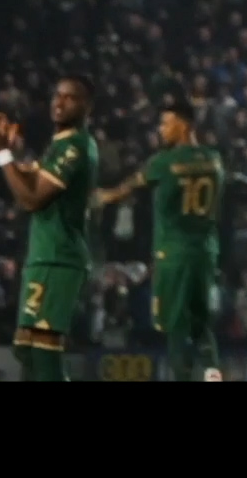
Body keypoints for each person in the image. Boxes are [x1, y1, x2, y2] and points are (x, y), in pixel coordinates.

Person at [0, 75, 101, 382]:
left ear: (88, 107)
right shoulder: (59, 145)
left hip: (60, 256)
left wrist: (1, 152)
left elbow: (32, 198)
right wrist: (11, 151)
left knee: (44, 350)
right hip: (44, 255)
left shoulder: (75, 146)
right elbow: (31, 178)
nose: (59, 102)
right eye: (57, 95)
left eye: (70, 97)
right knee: (27, 350)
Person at [94, 102, 225, 381]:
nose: (161, 129)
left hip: (173, 251)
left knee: (175, 323)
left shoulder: (164, 162)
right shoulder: (214, 159)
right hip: (205, 250)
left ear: (184, 125)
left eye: (166, 123)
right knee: (199, 315)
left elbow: (130, 186)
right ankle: (212, 370)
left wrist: (105, 196)